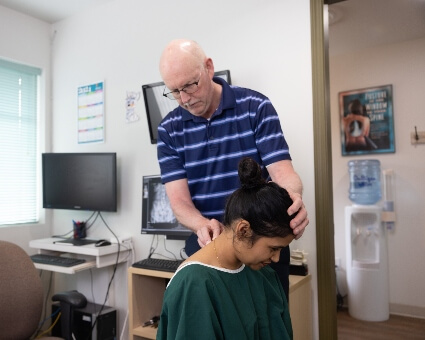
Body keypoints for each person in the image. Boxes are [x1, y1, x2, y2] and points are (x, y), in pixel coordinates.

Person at [157, 38, 308, 298]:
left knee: (271, 321)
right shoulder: (168, 130)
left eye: (190, 85)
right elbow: (179, 202)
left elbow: (284, 175)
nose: (184, 99)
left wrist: (292, 198)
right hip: (210, 242)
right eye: (174, 91)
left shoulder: (256, 107)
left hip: (261, 238)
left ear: (208, 67)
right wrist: (202, 224)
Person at [156, 157, 296, 340]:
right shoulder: (194, 285)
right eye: (273, 248)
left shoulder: (264, 276)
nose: (277, 258)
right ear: (243, 229)